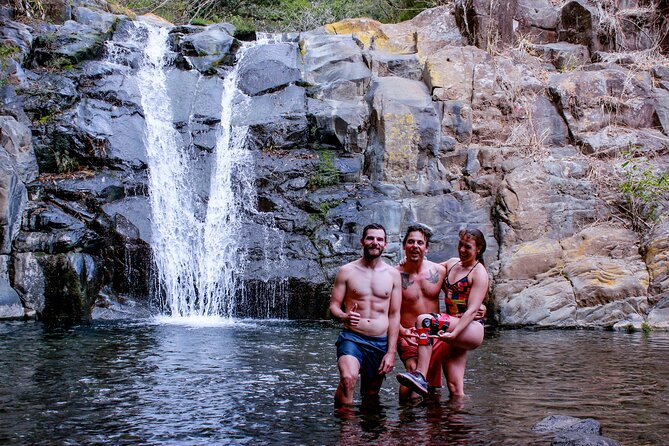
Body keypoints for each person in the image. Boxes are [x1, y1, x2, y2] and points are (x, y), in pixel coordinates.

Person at [396, 228, 489, 397]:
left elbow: (473, 309)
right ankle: (459, 420)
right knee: (455, 388)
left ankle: (420, 376)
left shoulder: (479, 272)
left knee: (425, 320)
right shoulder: (452, 264)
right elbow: (425, 269)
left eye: (467, 247)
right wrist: (408, 259)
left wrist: (454, 334)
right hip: (451, 327)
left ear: (479, 249)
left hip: (467, 328)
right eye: (460, 245)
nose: (462, 250)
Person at [329, 223, 402, 407]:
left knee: (370, 393)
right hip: (353, 337)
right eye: (370, 238)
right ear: (362, 241)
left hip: (379, 342)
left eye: (379, 239)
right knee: (348, 378)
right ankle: (347, 432)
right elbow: (334, 307)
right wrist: (344, 316)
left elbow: (394, 315)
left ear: (385, 244)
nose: (374, 242)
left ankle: (366, 429)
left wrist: (391, 352)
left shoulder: (393, 275)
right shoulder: (346, 271)